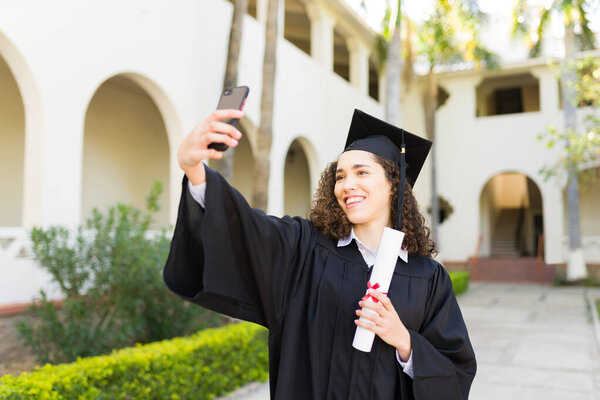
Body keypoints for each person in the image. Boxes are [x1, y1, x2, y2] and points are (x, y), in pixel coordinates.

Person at [163, 108, 476, 399]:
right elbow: (245, 228)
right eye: (340, 176)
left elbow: (456, 372)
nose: (347, 185)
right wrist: (196, 172)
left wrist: (404, 341)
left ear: (395, 183)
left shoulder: (427, 277)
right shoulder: (304, 248)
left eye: (361, 173)